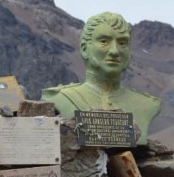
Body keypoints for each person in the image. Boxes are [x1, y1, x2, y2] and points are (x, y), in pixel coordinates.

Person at [41, 12, 161, 145]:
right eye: (104, 41)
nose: (115, 51)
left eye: (122, 43)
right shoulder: (60, 97)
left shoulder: (147, 104)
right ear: (85, 49)